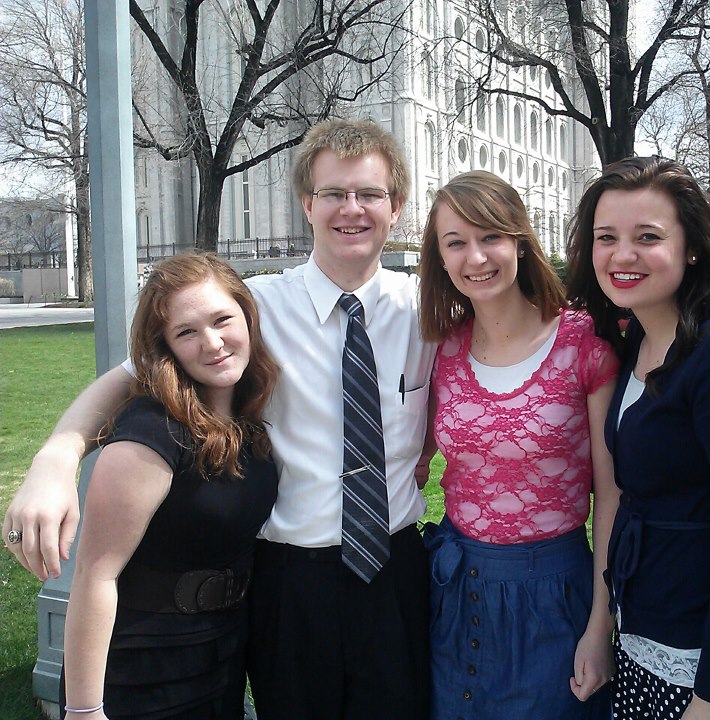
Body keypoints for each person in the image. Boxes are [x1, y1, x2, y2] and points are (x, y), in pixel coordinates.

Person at [3, 119, 435, 720]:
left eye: (370, 194)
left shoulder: (429, 310)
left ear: (398, 207)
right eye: (334, 193)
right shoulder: (251, 308)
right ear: (307, 204)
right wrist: (56, 457)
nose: (351, 209)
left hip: (395, 567)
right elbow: (128, 379)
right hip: (290, 578)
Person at [566, 156, 710, 720]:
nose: (622, 255)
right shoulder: (635, 342)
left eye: (647, 237)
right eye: (606, 237)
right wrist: (604, 629)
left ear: (691, 246)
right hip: (645, 646)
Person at [418, 171, 619, 719]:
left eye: (490, 237)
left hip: (553, 597)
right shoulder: (441, 350)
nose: (475, 257)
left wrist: (601, 622)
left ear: (520, 242)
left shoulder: (583, 344)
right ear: (439, 257)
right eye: (455, 243)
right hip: (456, 593)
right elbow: (413, 459)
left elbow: (612, 498)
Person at [60, 253, 280, 719]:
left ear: (247, 315)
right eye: (187, 332)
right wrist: (83, 710)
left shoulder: (247, 420)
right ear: (167, 348)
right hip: (144, 671)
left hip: (222, 656)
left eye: (223, 319)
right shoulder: (151, 431)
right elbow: (95, 575)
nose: (213, 342)